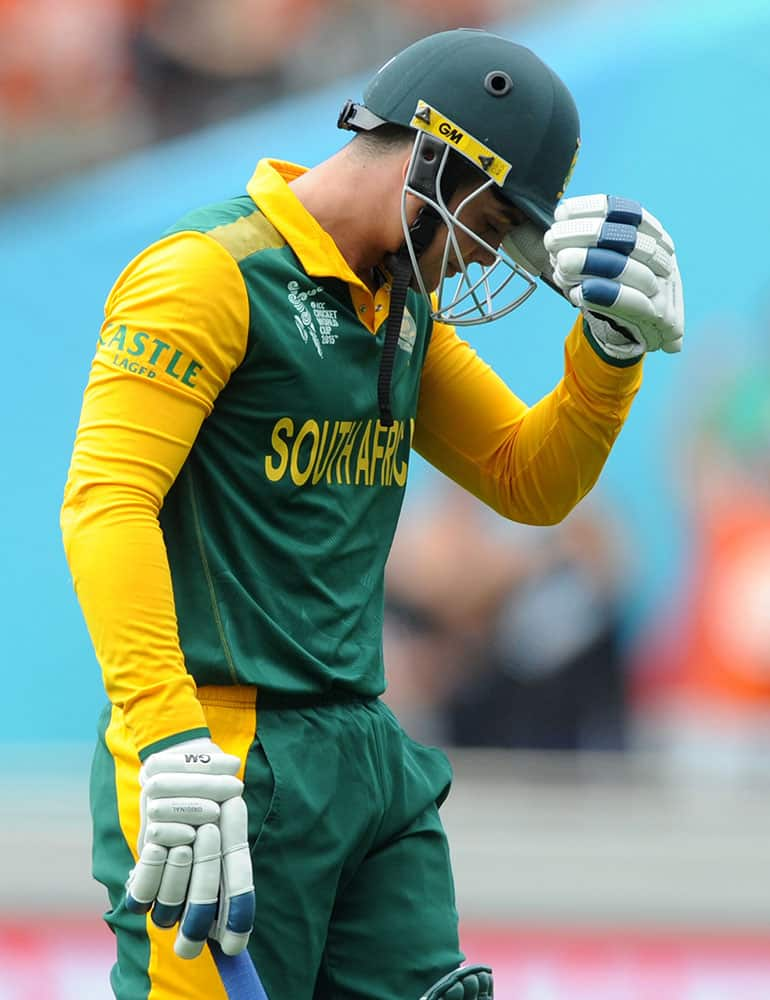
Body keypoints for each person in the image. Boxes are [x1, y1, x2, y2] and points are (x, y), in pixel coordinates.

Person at [61, 27, 684, 1000]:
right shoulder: (207, 274)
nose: (480, 255)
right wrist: (169, 737)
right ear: (434, 154)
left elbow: (528, 477)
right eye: (487, 222)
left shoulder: (392, 306)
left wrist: (607, 354)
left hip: (362, 749)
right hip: (217, 755)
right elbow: (107, 502)